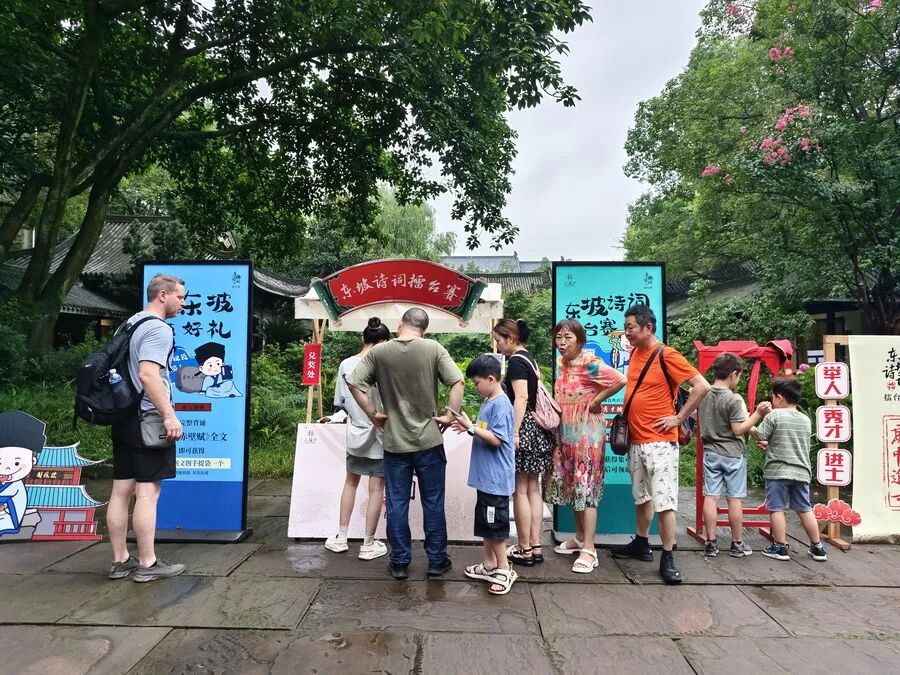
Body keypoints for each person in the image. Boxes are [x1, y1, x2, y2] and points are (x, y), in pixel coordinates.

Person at [348, 307, 464, 580]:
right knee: (433, 502)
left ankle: (399, 562)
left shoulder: (379, 352)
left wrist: (373, 413)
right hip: (429, 442)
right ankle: (436, 561)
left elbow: (354, 384)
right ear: (425, 329)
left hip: (394, 443)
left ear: (400, 324)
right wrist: (450, 415)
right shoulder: (433, 348)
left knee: (397, 503)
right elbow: (457, 382)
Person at [611, 304, 710, 585]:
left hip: (660, 443)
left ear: (648, 327)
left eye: (631, 327)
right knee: (642, 497)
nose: (627, 332)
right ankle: (641, 542)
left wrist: (678, 418)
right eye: (626, 327)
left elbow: (702, 386)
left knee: (664, 501)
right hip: (636, 440)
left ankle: (668, 556)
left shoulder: (667, 354)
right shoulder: (635, 353)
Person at [107, 274, 186, 583]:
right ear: (162, 295)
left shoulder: (129, 324)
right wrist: (169, 415)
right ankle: (148, 564)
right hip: (147, 418)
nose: (183, 303)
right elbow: (148, 375)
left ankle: (120, 561)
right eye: (180, 297)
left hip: (123, 416)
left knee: (121, 490)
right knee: (148, 492)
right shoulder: (158, 329)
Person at [546, 319, 626, 573]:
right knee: (573, 485)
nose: (562, 343)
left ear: (579, 340)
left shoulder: (589, 362)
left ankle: (590, 549)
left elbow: (620, 379)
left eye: (568, 338)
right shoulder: (562, 363)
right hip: (566, 433)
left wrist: (596, 401)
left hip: (587, 435)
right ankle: (580, 538)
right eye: (559, 337)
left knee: (586, 487)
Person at [323, 317, 391, 560]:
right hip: (382, 434)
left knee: (350, 482)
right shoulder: (386, 365)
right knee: (376, 488)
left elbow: (341, 402)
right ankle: (368, 544)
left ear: (363, 338)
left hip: (356, 434)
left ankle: (341, 538)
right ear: (384, 342)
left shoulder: (346, 365)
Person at [452, 355, 518, 594]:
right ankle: (490, 564)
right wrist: (469, 426)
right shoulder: (490, 401)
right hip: (487, 478)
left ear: (491, 379)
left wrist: (470, 427)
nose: (475, 387)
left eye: (477, 382)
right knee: (486, 524)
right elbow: (485, 429)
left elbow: (497, 439)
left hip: (495, 479)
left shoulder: (501, 404)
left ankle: (504, 569)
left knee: (495, 526)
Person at [492, 318, 555, 567]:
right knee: (532, 488)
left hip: (524, 428)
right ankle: (535, 546)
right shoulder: (529, 358)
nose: (498, 346)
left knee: (519, 490)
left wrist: (515, 433)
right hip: (538, 431)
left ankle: (524, 548)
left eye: (499, 340)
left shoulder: (516, 362)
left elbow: (521, 398)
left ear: (511, 338)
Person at [699, 352, 771, 557]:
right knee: (734, 499)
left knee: (710, 497)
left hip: (711, 452)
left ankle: (710, 543)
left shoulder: (703, 394)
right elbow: (738, 429)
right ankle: (737, 544)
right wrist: (758, 414)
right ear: (733, 374)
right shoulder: (734, 399)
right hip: (732, 454)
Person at [755, 377, 827, 562]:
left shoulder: (774, 415)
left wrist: (749, 422)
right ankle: (817, 547)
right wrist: (770, 445)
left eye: (773, 397)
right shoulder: (805, 419)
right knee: (805, 509)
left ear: (779, 397)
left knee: (776, 508)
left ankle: (780, 547)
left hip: (778, 471)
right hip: (801, 472)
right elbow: (791, 443)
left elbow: (760, 434)